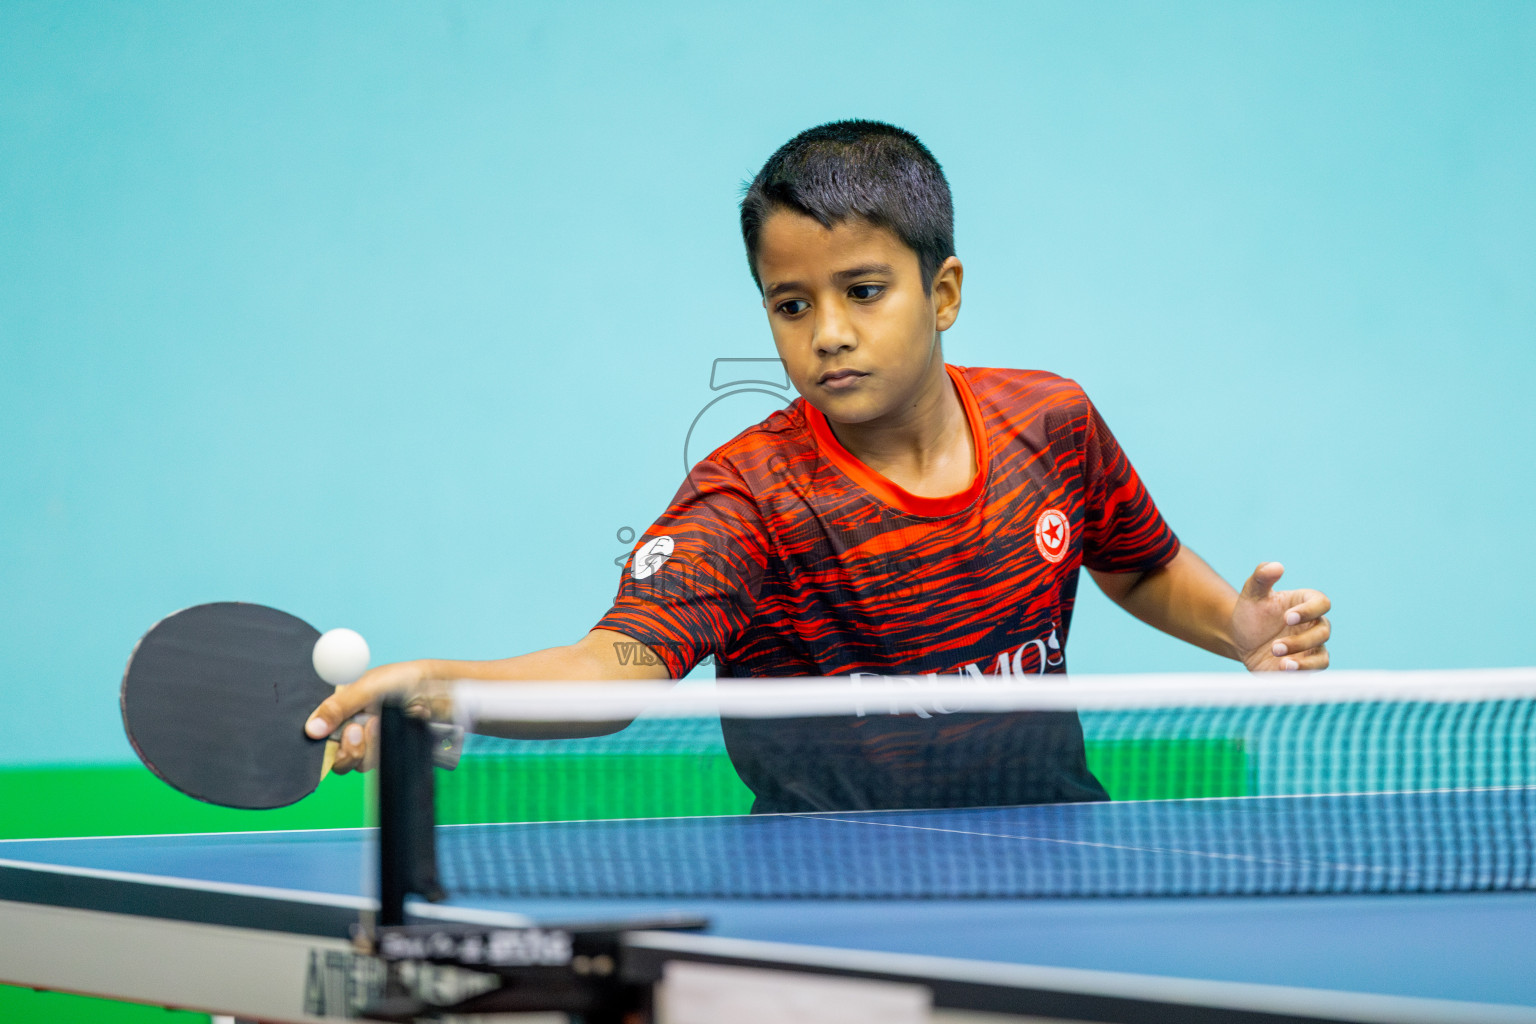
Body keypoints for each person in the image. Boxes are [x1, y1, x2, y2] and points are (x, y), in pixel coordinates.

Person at [306, 120, 1331, 809]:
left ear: (945, 292)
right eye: (791, 305)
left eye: (864, 290)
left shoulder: (1050, 422)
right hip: (832, 892)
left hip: (1052, 844)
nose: (826, 333)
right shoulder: (747, 497)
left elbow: (1136, 562)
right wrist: (447, 687)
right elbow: (618, 663)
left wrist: (1232, 627)